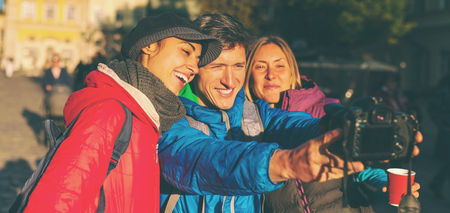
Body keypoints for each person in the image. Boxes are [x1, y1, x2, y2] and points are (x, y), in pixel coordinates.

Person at [158, 12, 422, 213]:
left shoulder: (255, 113)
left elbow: (295, 124)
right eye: (217, 67)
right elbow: (201, 161)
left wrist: (345, 123)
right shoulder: (169, 116)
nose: (230, 80)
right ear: (195, 67)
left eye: (238, 66)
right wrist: (286, 163)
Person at [23, 12, 222, 212]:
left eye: (197, 59)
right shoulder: (111, 111)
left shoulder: (147, 115)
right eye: (186, 52)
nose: (195, 68)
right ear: (149, 46)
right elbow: (56, 200)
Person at [244, 35, 421, 212]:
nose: (271, 74)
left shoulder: (327, 112)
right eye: (260, 66)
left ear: (292, 71)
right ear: (248, 74)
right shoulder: (242, 122)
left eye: (279, 65)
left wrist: (385, 186)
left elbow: (362, 171)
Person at [428, 72, 450, 199]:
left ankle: (436, 183)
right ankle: (437, 184)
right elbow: (432, 109)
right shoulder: (443, 87)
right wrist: (443, 125)